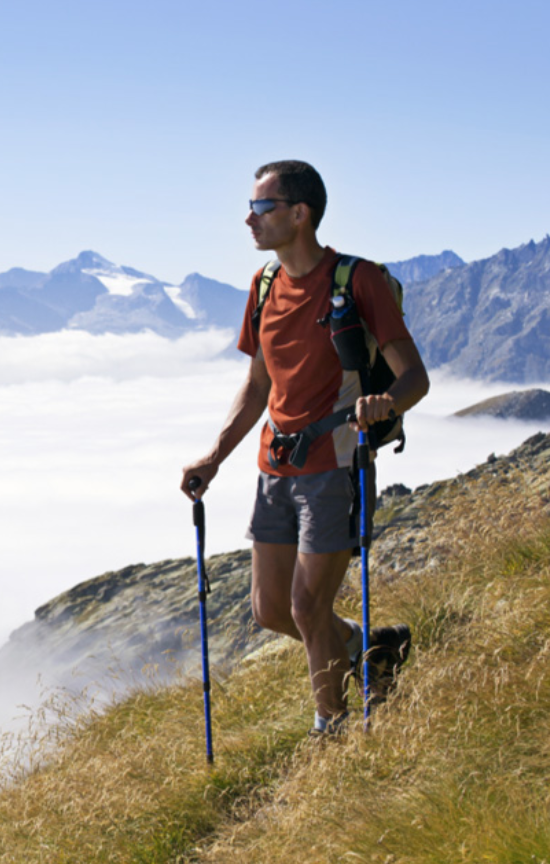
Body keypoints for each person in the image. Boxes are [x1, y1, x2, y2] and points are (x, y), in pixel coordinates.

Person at [180, 160, 430, 736]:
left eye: (262, 209)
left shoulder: (356, 280)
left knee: (307, 609)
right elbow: (258, 384)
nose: (250, 220)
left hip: (336, 464)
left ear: (300, 214)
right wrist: (214, 457)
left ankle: (332, 734)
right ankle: (374, 650)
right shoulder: (264, 286)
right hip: (276, 465)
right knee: (271, 610)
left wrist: (384, 404)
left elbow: (414, 377)